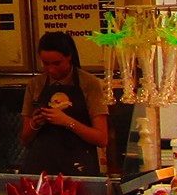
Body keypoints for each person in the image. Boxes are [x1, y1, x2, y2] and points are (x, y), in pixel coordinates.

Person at [18, 31, 111, 176]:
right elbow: (24, 139)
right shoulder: (35, 85)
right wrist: (34, 124)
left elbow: (102, 139)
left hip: (78, 168)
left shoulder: (90, 84)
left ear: (70, 57)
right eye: (45, 64)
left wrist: (67, 122)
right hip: (40, 168)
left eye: (57, 63)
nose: (51, 69)